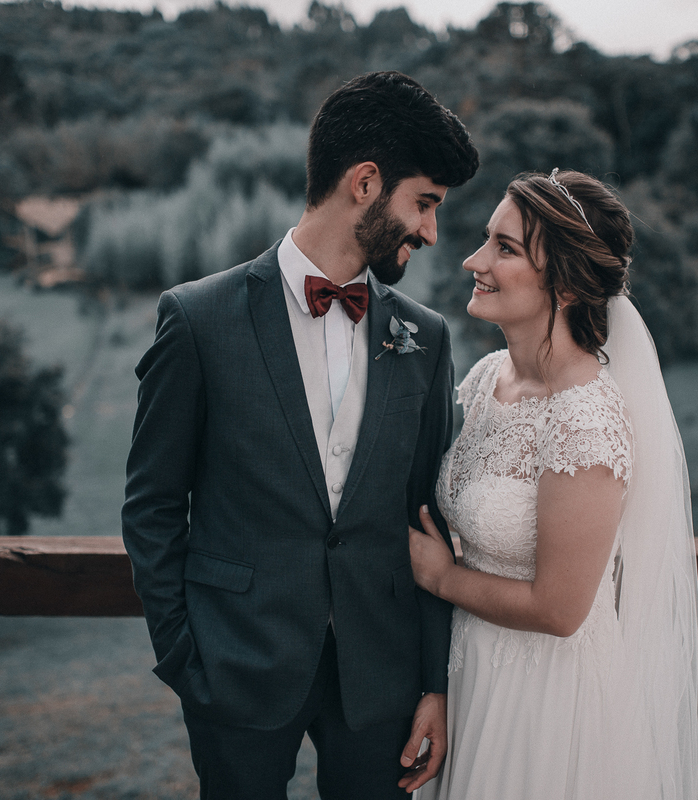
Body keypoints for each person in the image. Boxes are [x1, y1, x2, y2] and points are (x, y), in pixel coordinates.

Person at [122, 71, 479, 800]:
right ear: (366, 183)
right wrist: (186, 659)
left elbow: (430, 517)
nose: (431, 231)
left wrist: (433, 682)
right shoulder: (197, 320)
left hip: (380, 677)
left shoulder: (427, 337)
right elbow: (152, 505)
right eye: (425, 203)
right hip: (236, 668)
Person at [409, 170, 698, 799]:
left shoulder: (586, 419)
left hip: (543, 696)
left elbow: (561, 610)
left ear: (565, 283)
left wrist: (440, 576)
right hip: (471, 672)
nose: (474, 260)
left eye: (505, 248)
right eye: (488, 240)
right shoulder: (488, 379)